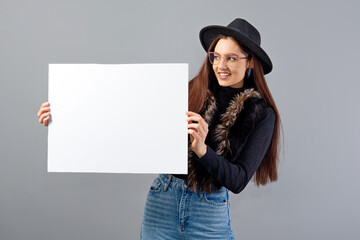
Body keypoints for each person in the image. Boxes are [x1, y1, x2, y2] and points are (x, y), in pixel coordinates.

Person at [37, 18, 282, 239]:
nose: (221, 65)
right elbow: (125, 117)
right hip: (162, 201)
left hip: (209, 211)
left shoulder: (261, 113)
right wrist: (64, 116)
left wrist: (202, 150)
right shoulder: (189, 90)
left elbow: (238, 180)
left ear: (250, 60)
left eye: (231, 58)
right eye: (216, 56)